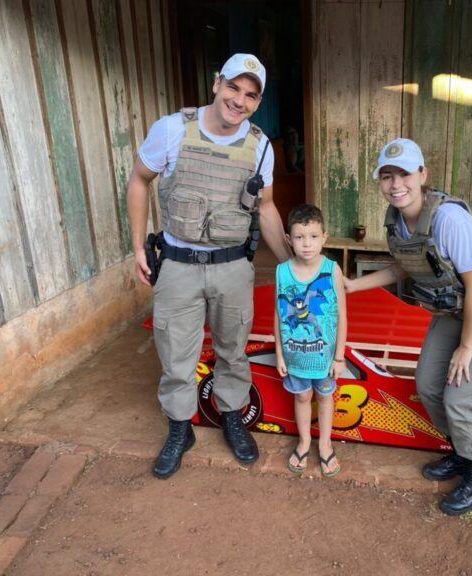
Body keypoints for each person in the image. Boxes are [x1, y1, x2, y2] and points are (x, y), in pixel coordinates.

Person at [127, 53, 292, 479]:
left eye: (250, 95)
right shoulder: (172, 129)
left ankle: (232, 417)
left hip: (233, 265)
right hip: (179, 264)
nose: (239, 100)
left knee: (232, 350)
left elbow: (268, 208)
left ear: (257, 102)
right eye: (234, 87)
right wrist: (136, 247)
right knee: (175, 353)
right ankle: (180, 430)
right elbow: (139, 179)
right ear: (217, 83)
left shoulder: (260, 147)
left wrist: (294, 265)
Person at [344, 138, 472, 515]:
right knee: (429, 385)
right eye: (387, 176)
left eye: (405, 174)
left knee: (460, 398)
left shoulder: (448, 219)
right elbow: (402, 268)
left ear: (423, 174)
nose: (396, 185)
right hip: (455, 310)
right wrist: (351, 285)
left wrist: (466, 347)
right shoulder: (396, 220)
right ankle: (464, 452)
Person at [274, 204, 346, 477]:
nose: (307, 244)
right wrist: (280, 353)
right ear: (288, 239)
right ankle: (304, 441)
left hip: (325, 357)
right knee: (302, 396)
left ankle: (325, 445)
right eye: (300, 237)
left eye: (314, 236)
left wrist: (339, 356)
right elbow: (277, 315)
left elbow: (342, 315)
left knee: (325, 397)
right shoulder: (282, 272)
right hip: (295, 357)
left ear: (324, 237)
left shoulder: (331, 270)